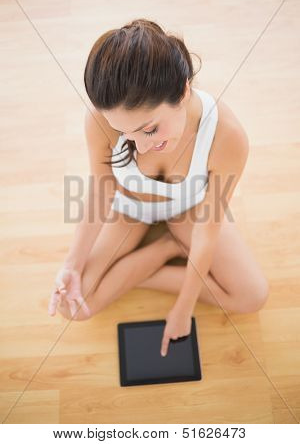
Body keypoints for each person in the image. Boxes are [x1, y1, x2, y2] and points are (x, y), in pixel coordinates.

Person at [48, 18, 269, 357]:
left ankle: (157, 253)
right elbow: (101, 190)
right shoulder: (100, 119)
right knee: (72, 307)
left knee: (252, 297)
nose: (141, 145)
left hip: (190, 213)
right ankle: (167, 248)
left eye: (149, 130)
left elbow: (208, 229)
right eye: (126, 133)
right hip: (129, 211)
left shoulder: (228, 136)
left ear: (182, 91)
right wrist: (71, 265)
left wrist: (184, 307)